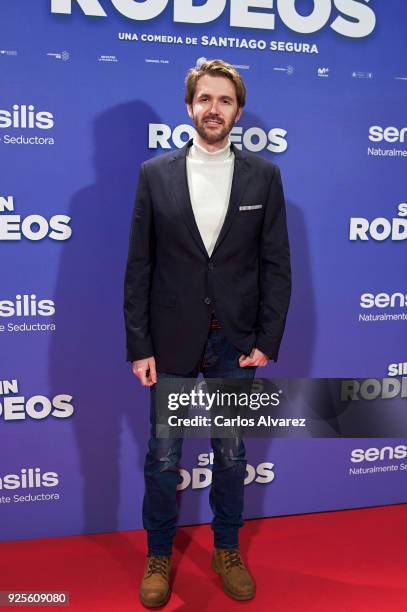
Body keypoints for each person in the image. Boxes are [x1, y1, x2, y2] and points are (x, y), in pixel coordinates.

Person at [124, 58, 291, 607]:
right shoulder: (155, 174)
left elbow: (276, 264)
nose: (213, 109)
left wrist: (267, 337)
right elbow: (139, 267)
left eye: (224, 100)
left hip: (235, 343)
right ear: (189, 107)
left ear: (237, 111)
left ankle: (227, 548)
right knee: (164, 458)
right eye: (204, 99)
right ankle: (158, 555)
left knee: (230, 454)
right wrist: (140, 344)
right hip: (171, 338)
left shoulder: (264, 176)